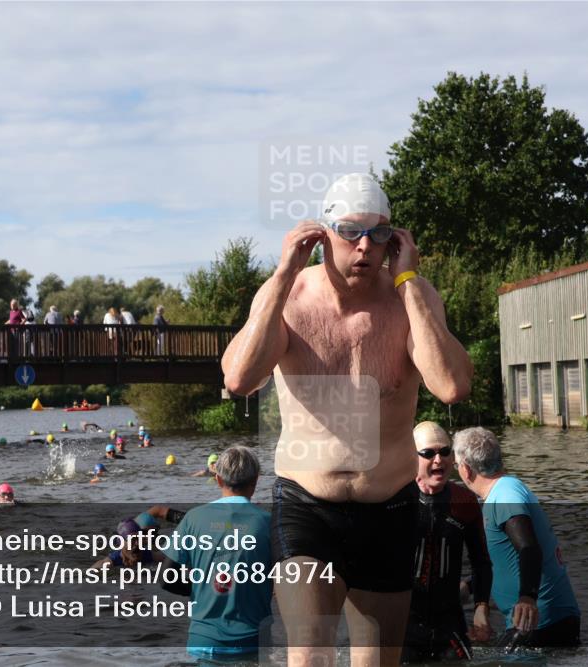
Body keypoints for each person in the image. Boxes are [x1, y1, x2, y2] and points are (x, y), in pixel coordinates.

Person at [221, 172, 472, 666]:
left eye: (379, 235)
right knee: (310, 656)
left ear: (395, 241)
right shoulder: (289, 299)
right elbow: (239, 380)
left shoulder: (411, 300)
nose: (364, 247)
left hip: (391, 509)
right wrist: (280, 277)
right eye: (350, 232)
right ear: (321, 235)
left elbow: (452, 386)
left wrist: (411, 283)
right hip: (307, 505)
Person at [452, 427, 581, 649]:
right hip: (542, 620)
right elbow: (507, 561)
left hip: (539, 621)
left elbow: (529, 548)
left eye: (455, 465)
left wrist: (528, 598)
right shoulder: (504, 491)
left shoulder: (505, 495)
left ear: (465, 469)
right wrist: (470, 588)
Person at [157, 446, 272, 660]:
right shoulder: (269, 524)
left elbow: (166, 579)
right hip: (253, 642)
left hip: (203, 640)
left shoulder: (192, 518)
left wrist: (200, 588)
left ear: (218, 479)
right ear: (255, 481)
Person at [403, 422, 492, 662]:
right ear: (412, 457)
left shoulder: (465, 502)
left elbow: (482, 562)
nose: (438, 460)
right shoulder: (397, 499)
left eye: (444, 452)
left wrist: (481, 608)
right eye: (428, 453)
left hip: (449, 619)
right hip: (403, 621)